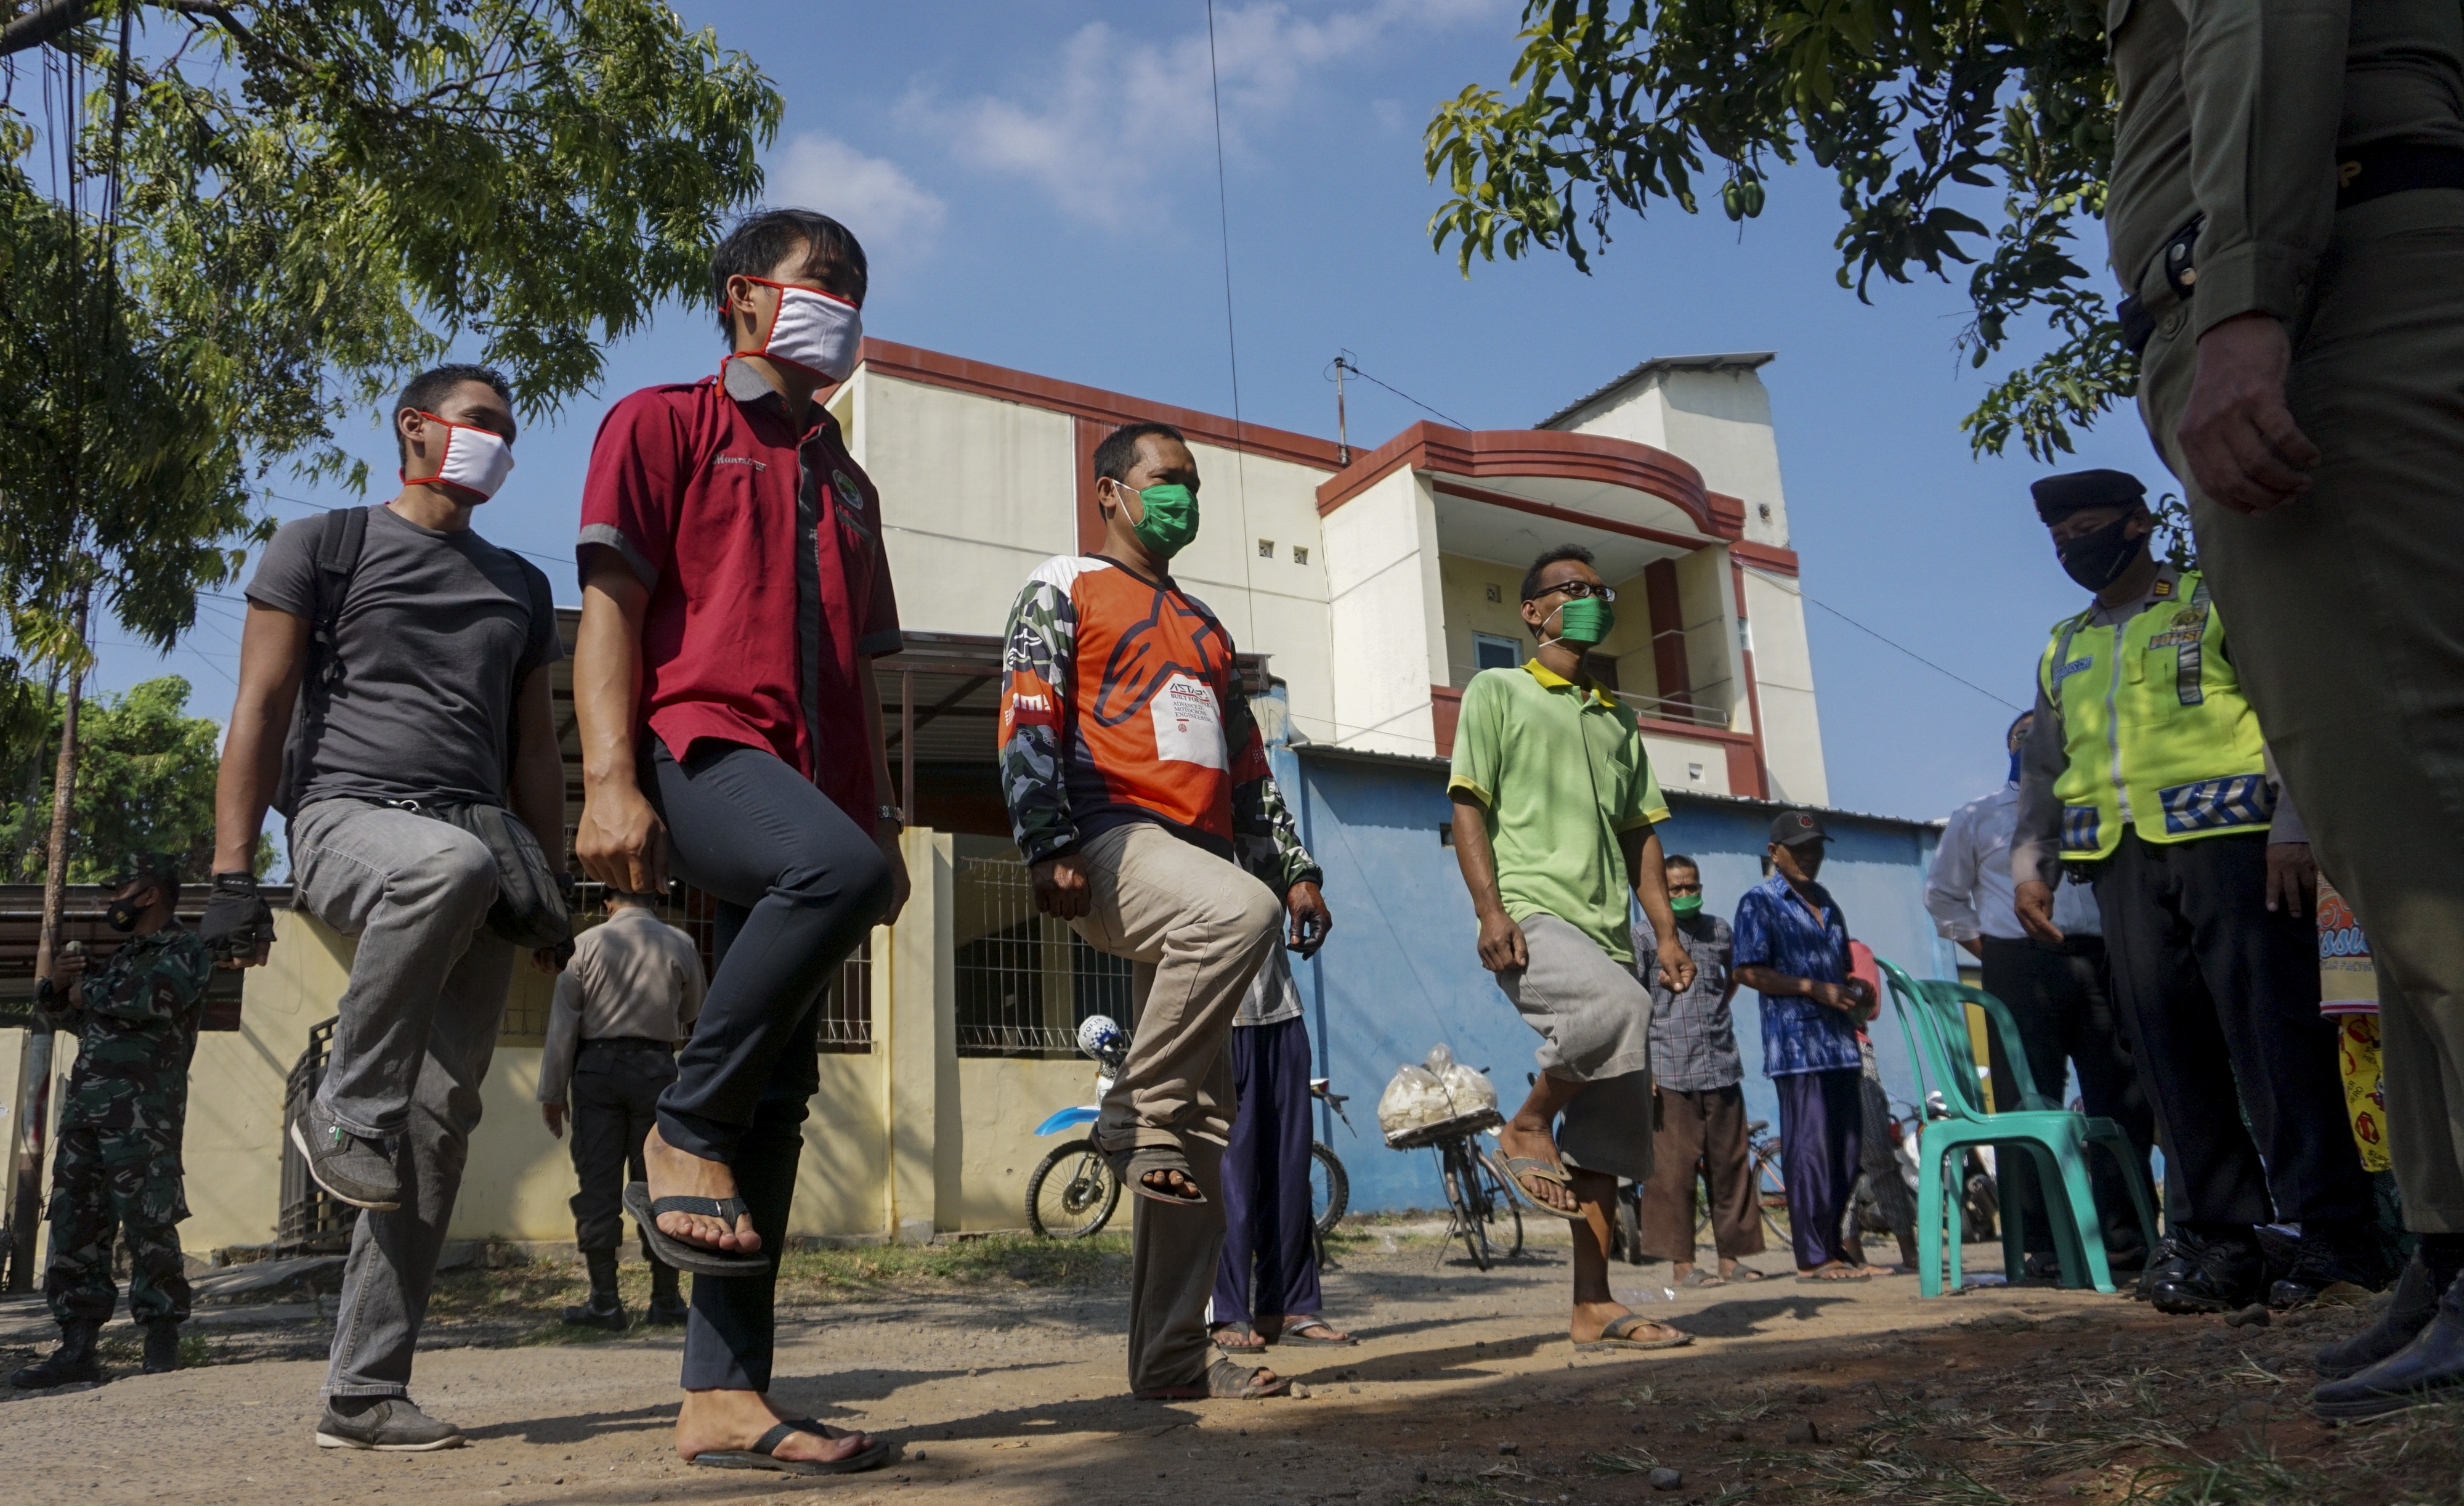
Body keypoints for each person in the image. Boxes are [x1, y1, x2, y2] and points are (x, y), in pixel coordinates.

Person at [2101, 0, 2464, 1422]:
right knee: (2400, 830)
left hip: (2322, 294)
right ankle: (2445, 1247)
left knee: (2420, 809)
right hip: (2343, 262)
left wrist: (2242, 294)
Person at [573, 208, 906, 1475]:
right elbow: (613, 605)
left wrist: (876, 824)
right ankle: (680, 1119)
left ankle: (723, 1394)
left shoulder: (850, 481)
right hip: (697, 749)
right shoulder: (659, 421)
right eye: (821, 282)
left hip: (813, 802)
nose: (844, 307)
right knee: (732, 1089)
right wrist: (609, 781)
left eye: (858, 290)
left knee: (782, 1093)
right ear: (742, 297)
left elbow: (867, 683)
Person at [204, 362, 567, 1450]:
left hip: (482, 841)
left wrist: (549, 886)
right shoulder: (323, 544)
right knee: (437, 872)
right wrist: (232, 872)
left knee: (441, 1122)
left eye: (509, 430)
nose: (498, 443)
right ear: (416, 426)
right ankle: (340, 1101)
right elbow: (262, 700)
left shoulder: (516, 584)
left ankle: (363, 1390)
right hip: (347, 814)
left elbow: (535, 752)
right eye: (480, 422)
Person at [997, 419, 1331, 1402]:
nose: (1183, 495)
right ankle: (1133, 1104)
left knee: (1200, 1138)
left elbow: (1249, 766)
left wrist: (1296, 868)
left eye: (1193, 481)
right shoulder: (1063, 584)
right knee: (1237, 919)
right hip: (1111, 845)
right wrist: (1045, 840)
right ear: (1110, 492)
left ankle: (1174, 1364)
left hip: (1201, 862)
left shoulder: (1209, 629)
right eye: (1165, 478)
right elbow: (1027, 706)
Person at [2011, 469, 2374, 1319]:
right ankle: (2221, 1240)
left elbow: (2285, 709)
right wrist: (2033, 860)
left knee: (2275, 1044)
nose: (2074, 549)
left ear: (2138, 524)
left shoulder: (2212, 602)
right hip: (2122, 866)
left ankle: (2332, 1235)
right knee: (2169, 1055)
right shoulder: (2065, 645)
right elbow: (2046, 770)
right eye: (2060, 541)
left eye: (2089, 530)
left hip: (2235, 851)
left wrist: (2293, 824)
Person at [1446, 542, 1695, 1352]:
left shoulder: (1617, 718)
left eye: (1599, 590)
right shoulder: (1498, 690)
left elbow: (1642, 838)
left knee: (1607, 1138)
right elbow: (1469, 805)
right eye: (1571, 590)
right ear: (1532, 612)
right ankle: (1524, 1127)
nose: (1591, 600)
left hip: (1609, 931)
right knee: (1613, 1011)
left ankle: (1593, 1306)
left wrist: (1663, 931)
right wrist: (1490, 910)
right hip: (1532, 914)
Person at [1926, 710, 2156, 1280]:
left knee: (2122, 1096)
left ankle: (2127, 1240)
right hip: (2019, 963)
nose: (2033, 745)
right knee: (2028, 1105)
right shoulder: (1978, 817)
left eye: (2045, 737)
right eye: (2023, 737)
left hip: (2100, 960)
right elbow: (1944, 900)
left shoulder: (2098, 809)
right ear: (2009, 747)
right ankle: (2044, 1245)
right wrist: (1994, 952)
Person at [8, 855, 214, 1388]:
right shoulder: (125, 956)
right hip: (87, 1116)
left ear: (148, 894)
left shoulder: (183, 951)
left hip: (143, 1117)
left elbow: (156, 1001)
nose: (110, 902)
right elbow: (78, 1018)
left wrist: (89, 991)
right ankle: (77, 1346)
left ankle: (162, 1342)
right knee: (76, 1224)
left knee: (149, 1222)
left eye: (118, 889)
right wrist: (55, 988)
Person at [538, 889, 707, 1331]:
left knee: (598, 1183)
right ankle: (666, 1300)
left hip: (596, 1070)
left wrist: (552, 1093)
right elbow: (695, 1012)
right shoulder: (680, 943)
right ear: (654, 897)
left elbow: (563, 1026)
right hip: (656, 1070)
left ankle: (605, 1302)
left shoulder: (586, 945)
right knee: (658, 1185)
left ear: (609, 902)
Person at [1209, 849, 1352, 1354]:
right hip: (1218, 1019)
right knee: (1232, 1176)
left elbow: (1290, 853)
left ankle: (1288, 1305)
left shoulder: (1257, 812)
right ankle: (1227, 1310)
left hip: (1279, 1010)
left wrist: (1306, 879)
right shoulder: (1179, 824)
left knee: (1290, 1174)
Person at [1732, 810, 1876, 1282]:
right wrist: (1813, 988)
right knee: (1810, 1150)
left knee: (1847, 1149)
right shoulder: (1759, 902)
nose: (1811, 858)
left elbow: (1838, 969)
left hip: (1839, 1042)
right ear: (1774, 853)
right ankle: (1814, 1257)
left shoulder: (1828, 902)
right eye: (1800, 849)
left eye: (1817, 848)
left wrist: (1856, 989)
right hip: (1797, 1047)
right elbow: (1747, 971)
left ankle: (1833, 1244)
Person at [1630, 855, 1763, 1287]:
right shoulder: (1644, 937)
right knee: (1672, 1171)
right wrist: (1643, 1068)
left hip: (1721, 1064)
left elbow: (1736, 974)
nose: (1686, 895)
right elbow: (1634, 1003)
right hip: (1669, 1068)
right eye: (1676, 889)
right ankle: (1682, 1265)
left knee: (1731, 1163)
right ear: (1660, 892)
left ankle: (1734, 1258)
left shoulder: (1719, 931)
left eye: (1692, 887)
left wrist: (1719, 1005)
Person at [1844, 940, 1919, 1274]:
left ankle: (1909, 1250)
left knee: (1879, 1154)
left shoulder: (1855, 950)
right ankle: (1853, 1257)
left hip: (1856, 1053)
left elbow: (1869, 1007)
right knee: (1834, 1162)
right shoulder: (1793, 954)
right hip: (1810, 1059)